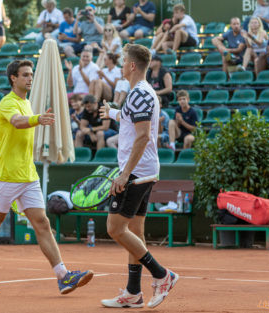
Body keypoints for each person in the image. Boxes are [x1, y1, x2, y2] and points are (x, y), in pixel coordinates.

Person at [0, 59, 94, 295]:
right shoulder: (7, 104)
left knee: (42, 223)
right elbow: (17, 122)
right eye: (25, 75)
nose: (29, 79)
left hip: (28, 175)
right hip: (7, 176)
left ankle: (63, 276)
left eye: (31, 75)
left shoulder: (27, 103)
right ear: (13, 78)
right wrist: (37, 119)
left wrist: (35, 117)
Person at [98, 44, 178, 309]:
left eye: (123, 61)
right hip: (145, 171)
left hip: (137, 174)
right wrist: (110, 113)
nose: (121, 65)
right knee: (135, 231)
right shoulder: (140, 93)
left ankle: (161, 274)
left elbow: (143, 136)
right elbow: (129, 118)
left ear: (132, 65)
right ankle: (133, 292)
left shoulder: (139, 93)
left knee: (115, 228)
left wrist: (124, 175)